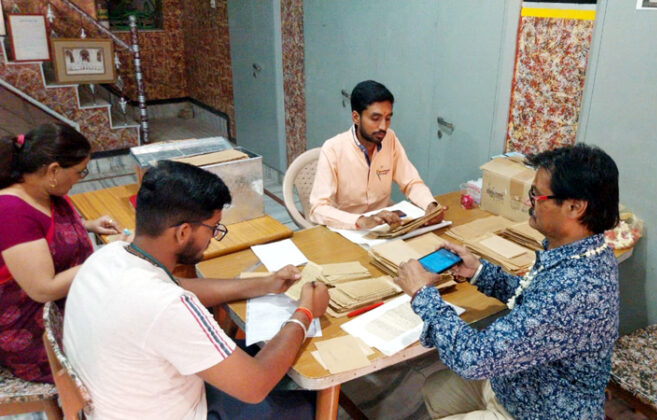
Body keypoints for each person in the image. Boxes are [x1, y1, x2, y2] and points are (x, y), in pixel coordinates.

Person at [63, 160, 330, 420]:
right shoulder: (167, 306)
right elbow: (255, 386)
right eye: (213, 229)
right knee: (307, 400)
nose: (212, 238)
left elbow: (178, 286)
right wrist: (305, 312)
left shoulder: (110, 254)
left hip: (119, 402)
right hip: (175, 411)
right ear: (183, 232)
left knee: (265, 356)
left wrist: (266, 283)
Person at [394, 144, 621, 419]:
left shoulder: (576, 288)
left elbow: (474, 358)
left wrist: (422, 294)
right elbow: (535, 302)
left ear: (575, 207)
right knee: (436, 390)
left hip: (540, 411)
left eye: (537, 195)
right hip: (520, 384)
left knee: (446, 383)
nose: (529, 202)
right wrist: (479, 272)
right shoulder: (586, 250)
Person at [0, 123, 120, 383]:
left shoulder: (43, 192)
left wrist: (87, 225)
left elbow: (44, 233)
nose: (79, 178)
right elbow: (43, 289)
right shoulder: (10, 211)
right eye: (79, 172)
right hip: (35, 332)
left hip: (71, 305)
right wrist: (108, 255)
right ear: (53, 171)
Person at [309, 80, 443, 230]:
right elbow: (318, 209)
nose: (383, 127)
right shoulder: (333, 149)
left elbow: (411, 182)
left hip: (382, 228)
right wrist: (360, 221)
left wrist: (431, 205)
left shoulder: (389, 139)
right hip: (346, 229)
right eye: (375, 118)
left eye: (388, 118)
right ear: (356, 117)